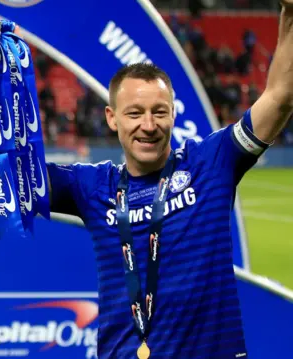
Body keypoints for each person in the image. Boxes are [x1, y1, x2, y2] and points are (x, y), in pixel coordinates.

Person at [46, 3, 293, 358]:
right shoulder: (91, 186)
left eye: (159, 112)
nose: (149, 125)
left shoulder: (210, 163)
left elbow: (281, 97)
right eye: (135, 113)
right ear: (112, 118)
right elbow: (11, 180)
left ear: (173, 114)